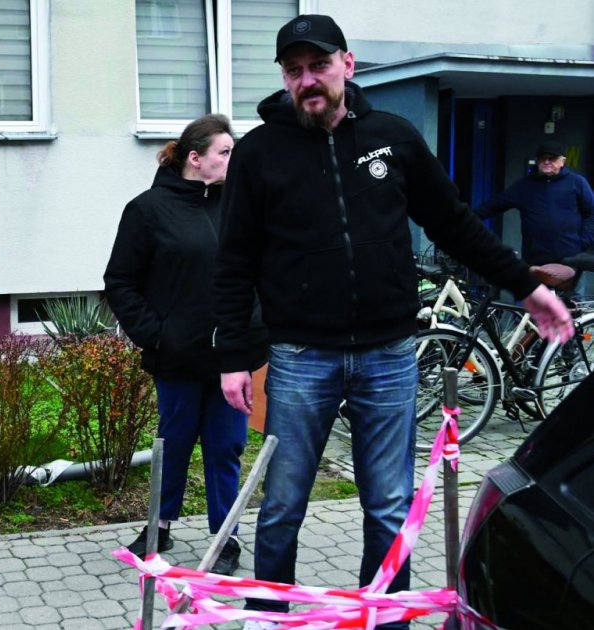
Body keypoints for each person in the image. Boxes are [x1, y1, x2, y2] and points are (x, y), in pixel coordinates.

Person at [212, 15, 574, 630]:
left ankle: (386, 621)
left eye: (318, 66)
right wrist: (232, 355)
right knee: (282, 507)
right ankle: (269, 617)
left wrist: (526, 285)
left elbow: (454, 223)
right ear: (284, 78)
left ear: (347, 66)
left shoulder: (394, 137)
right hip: (301, 356)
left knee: (387, 506)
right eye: (294, 70)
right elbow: (235, 259)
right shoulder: (258, 153)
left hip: (388, 354)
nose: (308, 80)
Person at [103, 114, 267, 574]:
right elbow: (120, 283)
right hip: (177, 357)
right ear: (195, 159)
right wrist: (158, 335)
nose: (234, 160)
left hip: (233, 359)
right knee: (172, 443)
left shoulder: (240, 207)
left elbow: (260, 274)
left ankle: (226, 537)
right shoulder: (148, 210)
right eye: (225, 152)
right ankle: (159, 527)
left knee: (226, 448)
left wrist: (259, 327)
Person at [475, 141, 594, 268]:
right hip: (536, 259)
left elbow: (592, 212)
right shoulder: (524, 186)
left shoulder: (577, 182)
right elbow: (492, 206)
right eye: (543, 158)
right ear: (537, 161)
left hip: (572, 258)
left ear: (562, 161)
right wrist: (462, 219)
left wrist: (584, 241)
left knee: (572, 288)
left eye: (552, 158)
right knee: (534, 288)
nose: (547, 162)